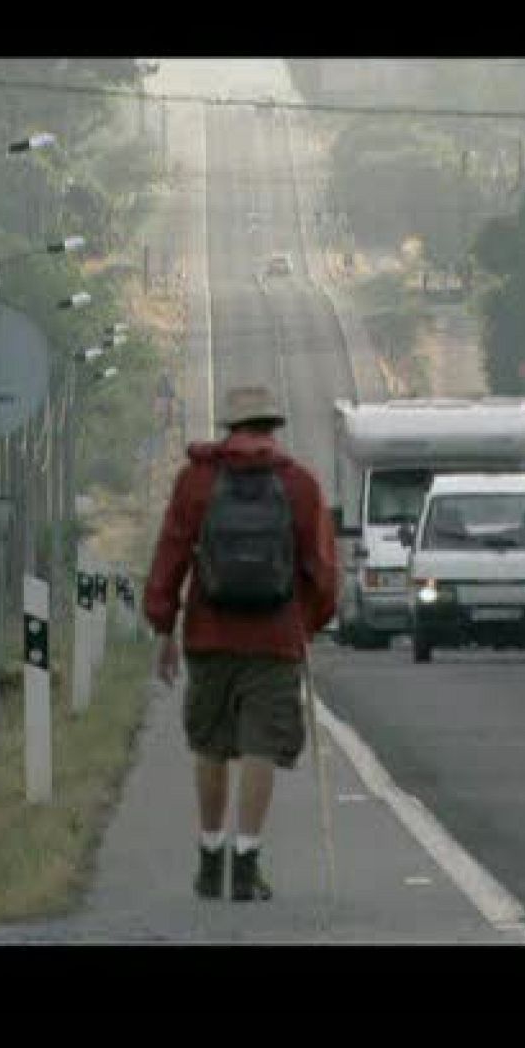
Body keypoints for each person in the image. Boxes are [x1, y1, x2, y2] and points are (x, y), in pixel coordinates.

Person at [143, 385, 338, 902]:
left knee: (210, 744)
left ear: (230, 427)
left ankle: (210, 860)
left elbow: (171, 556)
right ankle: (247, 863)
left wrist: (164, 629)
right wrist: (308, 624)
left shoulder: (196, 481)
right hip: (275, 639)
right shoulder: (299, 485)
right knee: (261, 748)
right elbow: (321, 568)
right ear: (272, 427)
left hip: (209, 634)